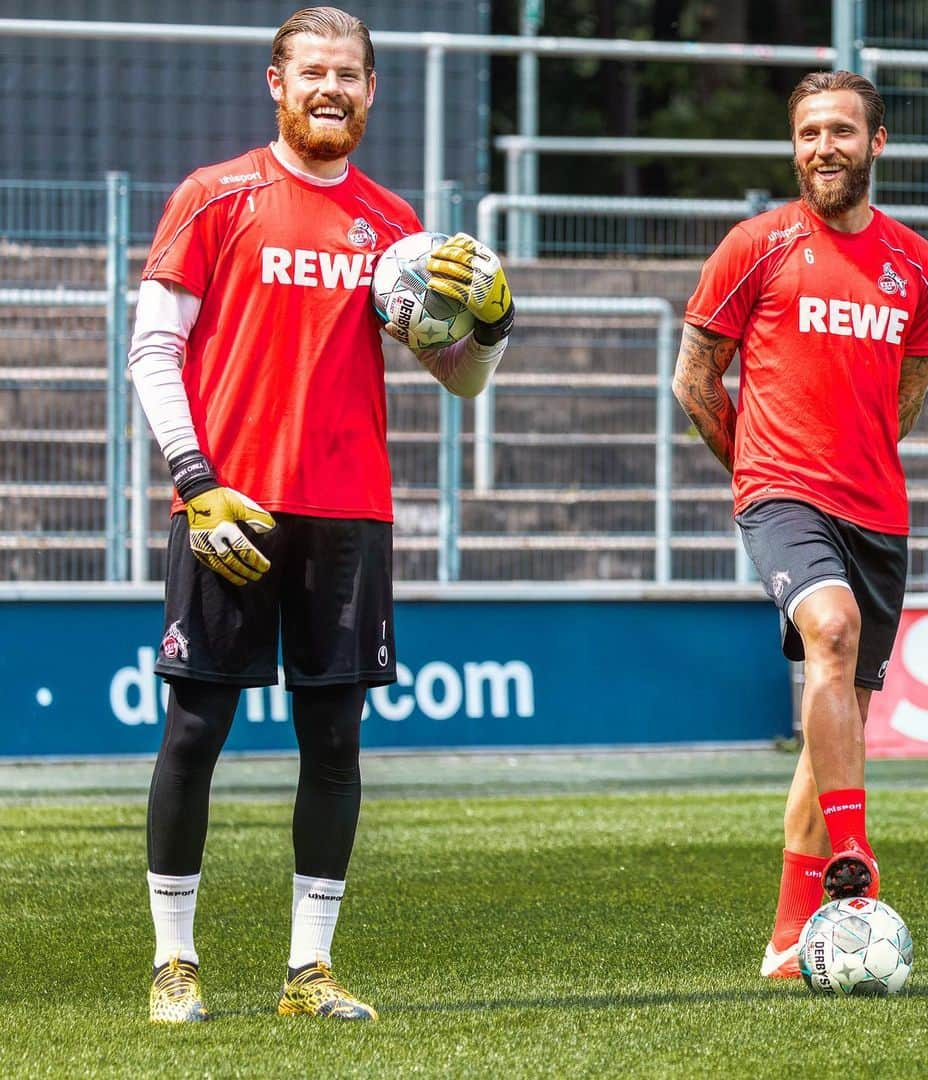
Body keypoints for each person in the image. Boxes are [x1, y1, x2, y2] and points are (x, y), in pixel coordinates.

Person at [128, 6, 514, 1023]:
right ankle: (175, 963)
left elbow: (460, 379)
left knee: (334, 741)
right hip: (231, 503)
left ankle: (310, 973)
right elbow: (151, 349)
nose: (330, 87)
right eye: (312, 71)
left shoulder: (398, 234)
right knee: (195, 727)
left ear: (371, 91)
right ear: (277, 83)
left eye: (348, 72)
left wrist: (495, 324)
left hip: (350, 515)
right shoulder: (216, 197)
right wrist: (194, 477)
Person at [672, 70, 928, 979]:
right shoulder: (756, 245)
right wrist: (756, 475)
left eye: (840, 131)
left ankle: (788, 938)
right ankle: (853, 872)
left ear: (878, 143)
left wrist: (854, 458)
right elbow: (694, 378)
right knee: (829, 628)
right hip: (781, 492)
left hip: (878, 511)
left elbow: (907, 391)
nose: (822, 147)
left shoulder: (918, 265)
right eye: (807, 133)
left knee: (840, 721)